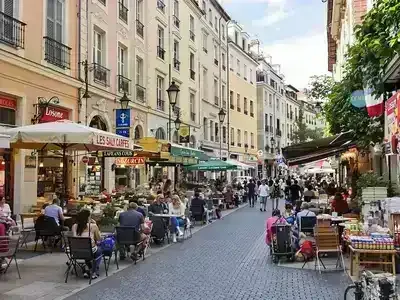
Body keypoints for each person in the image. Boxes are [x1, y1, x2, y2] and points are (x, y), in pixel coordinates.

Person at [72, 209, 102, 279]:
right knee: (99, 251)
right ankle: (93, 271)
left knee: (87, 250)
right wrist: (95, 224)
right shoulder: (93, 226)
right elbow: (99, 239)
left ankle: (87, 268)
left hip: (76, 251)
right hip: (89, 251)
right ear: (88, 217)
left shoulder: (74, 226)